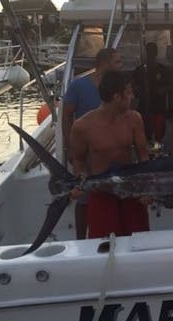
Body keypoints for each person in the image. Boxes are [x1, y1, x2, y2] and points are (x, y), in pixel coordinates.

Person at [70, 70, 150, 238]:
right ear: (116, 97)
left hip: (132, 193)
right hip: (102, 196)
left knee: (139, 243)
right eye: (128, 92)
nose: (133, 96)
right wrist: (79, 182)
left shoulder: (135, 119)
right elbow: (78, 161)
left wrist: (146, 189)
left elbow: (143, 156)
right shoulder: (82, 126)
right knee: (103, 247)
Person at [62, 48, 122, 239]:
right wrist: (69, 145)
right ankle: (81, 237)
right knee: (84, 198)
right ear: (105, 63)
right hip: (86, 152)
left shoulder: (117, 87)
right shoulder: (78, 85)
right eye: (117, 62)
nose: (121, 66)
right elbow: (67, 114)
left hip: (111, 151)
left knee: (111, 195)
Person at [132, 42, 172, 146]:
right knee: (144, 132)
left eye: (152, 52)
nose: (150, 54)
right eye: (149, 52)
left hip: (158, 106)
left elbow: (169, 85)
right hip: (143, 106)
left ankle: (157, 147)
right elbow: (134, 86)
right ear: (145, 53)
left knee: (159, 133)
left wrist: (162, 90)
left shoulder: (162, 70)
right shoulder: (139, 70)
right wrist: (140, 92)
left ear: (156, 53)